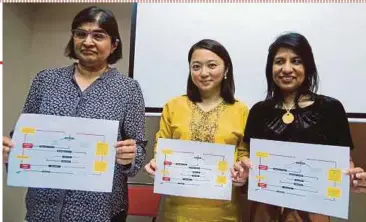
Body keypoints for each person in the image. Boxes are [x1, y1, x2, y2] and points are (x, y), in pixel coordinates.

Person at [2, 6, 146, 222]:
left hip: (99, 210)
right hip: (44, 207)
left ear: (114, 44)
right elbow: (22, 135)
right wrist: (10, 150)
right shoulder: (46, 81)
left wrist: (130, 157)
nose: (88, 42)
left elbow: (139, 149)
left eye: (98, 35)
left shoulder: (128, 89)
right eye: (80, 34)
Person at [232, 32, 366, 222]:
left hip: (313, 213)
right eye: (279, 61)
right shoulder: (259, 111)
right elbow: (247, 155)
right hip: (265, 213)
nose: (287, 69)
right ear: (271, 68)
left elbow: (345, 161)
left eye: (296, 61)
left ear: (308, 66)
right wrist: (242, 170)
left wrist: (352, 178)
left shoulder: (331, 109)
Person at [144, 39, 249, 222]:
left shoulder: (241, 110)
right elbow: (161, 148)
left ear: (226, 70)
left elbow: (243, 153)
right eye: (196, 66)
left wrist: (242, 173)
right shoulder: (173, 106)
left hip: (223, 212)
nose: (204, 73)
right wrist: (156, 164)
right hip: (177, 210)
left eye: (212, 65)